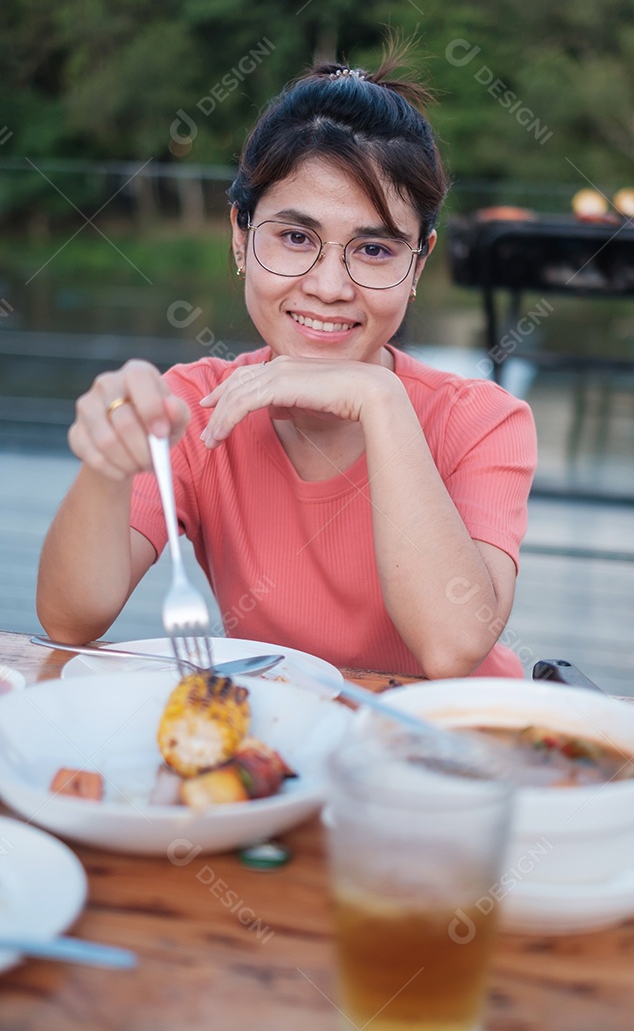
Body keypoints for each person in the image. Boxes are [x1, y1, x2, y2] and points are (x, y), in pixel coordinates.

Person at [37, 45, 537, 679]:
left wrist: (381, 401)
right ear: (241, 238)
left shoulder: (482, 422)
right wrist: (107, 467)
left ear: (419, 265)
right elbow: (71, 621)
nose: (329, 286)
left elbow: (454, 647)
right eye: (296, 238)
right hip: (287, 736)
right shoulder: (196, 408)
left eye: (375, 249)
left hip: (459, 736)